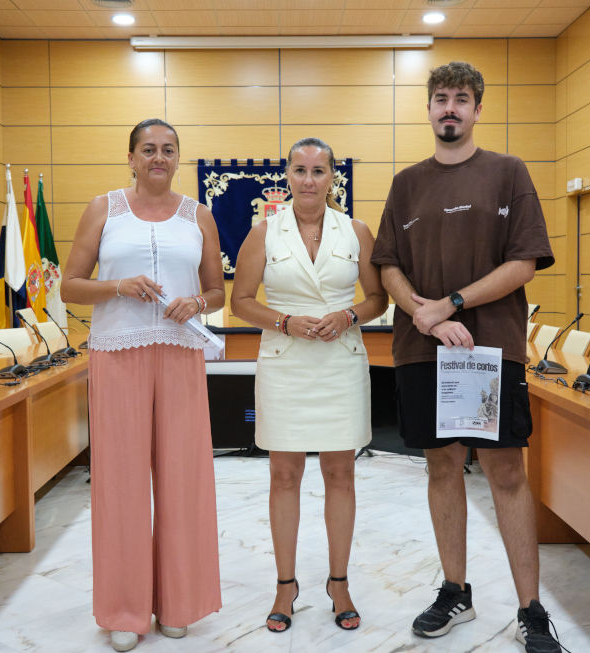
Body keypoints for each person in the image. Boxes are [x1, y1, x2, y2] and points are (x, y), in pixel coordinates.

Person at [370, 62, 561, 653]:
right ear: (429, 109)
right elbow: (388, 265)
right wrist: (424, 314)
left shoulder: (508, 172)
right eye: (440, 98)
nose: (449, 108)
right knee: (441, 467)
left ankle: (531, 609)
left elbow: (523, 263)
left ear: (477, 109)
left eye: (460, 98)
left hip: (489, 351)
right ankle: (455, 591)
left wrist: (450, 303)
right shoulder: (406, 183)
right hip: (422, 353)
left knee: (506, 472)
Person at [61, 118, 224, 652]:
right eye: (148, 149)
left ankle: (180, 602)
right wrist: (117, 285)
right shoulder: (103, 209)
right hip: (117, 355)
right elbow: (69, 286)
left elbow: (217, 291)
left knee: (184, 479)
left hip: (180, 354)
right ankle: (125, 610)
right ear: (131, 157)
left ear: (178, 158)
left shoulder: (198, 215)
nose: (159, 157)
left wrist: (196, 302)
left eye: (168, 149)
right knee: (121, 483)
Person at [231, 137, 387, 633]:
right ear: (287, 176)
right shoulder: (264, 232)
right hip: (286, 363)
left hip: (340, 362)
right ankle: (286, 585)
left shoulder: (356, 231)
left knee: (341, 474)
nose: (309, 180)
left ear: (332, 176)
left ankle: (339, 583)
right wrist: (284, 321)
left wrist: (347, 315)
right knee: (284, 476)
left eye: (319, 171)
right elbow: (240, 300)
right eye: (300, 170)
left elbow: (378, 298)